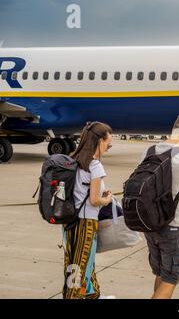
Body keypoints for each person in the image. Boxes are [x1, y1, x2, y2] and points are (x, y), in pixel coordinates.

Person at [143, 115, 179, 299]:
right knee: (171, 277)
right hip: (173, 224)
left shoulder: (149, 151)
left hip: (150, 223)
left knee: (161, 273)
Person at [64, 121, 114, 299]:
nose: (108, 147)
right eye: (108, 143)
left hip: (70, 221)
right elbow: (94, 200)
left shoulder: (74, 160)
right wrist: (106, 199)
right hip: (86, 223)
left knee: (80, 262)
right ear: (99, 141)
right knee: (80, 265)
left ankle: (94, 295)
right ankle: (72, 296)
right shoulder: (95, 166)